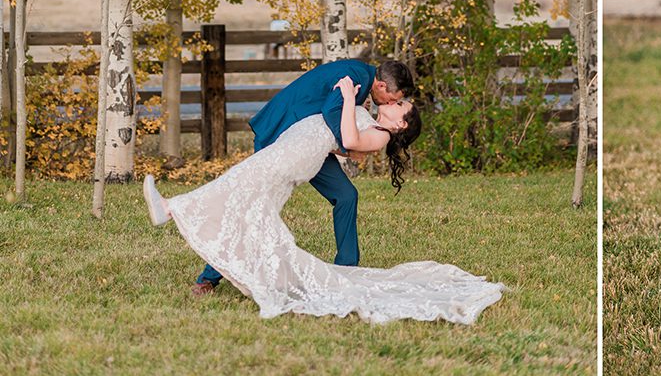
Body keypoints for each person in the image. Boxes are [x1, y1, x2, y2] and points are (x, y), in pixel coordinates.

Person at [144, 76, 506, 324]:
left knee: (238, 183)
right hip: (297, 146)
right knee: (251, 202)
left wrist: (348, 98)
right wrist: (350, 100)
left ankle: (171, 208)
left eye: (402, 107)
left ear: (400, 125)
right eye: (399, 100)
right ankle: (247, 267)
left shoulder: (378, 135)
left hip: (300, 152)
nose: (398, 103)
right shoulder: (374, 119)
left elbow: (348, 139)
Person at [190, 58, 415, 296]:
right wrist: (348, 149)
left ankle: (347, 270)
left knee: (346, 196)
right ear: (381, 86)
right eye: (393, 98)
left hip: (311, 146)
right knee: (255, 208)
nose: (392, 103)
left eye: (396, 103)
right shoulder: (354, 77)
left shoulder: (362, 80)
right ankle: (208, 279)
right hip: (279, 136)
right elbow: (331, 111)